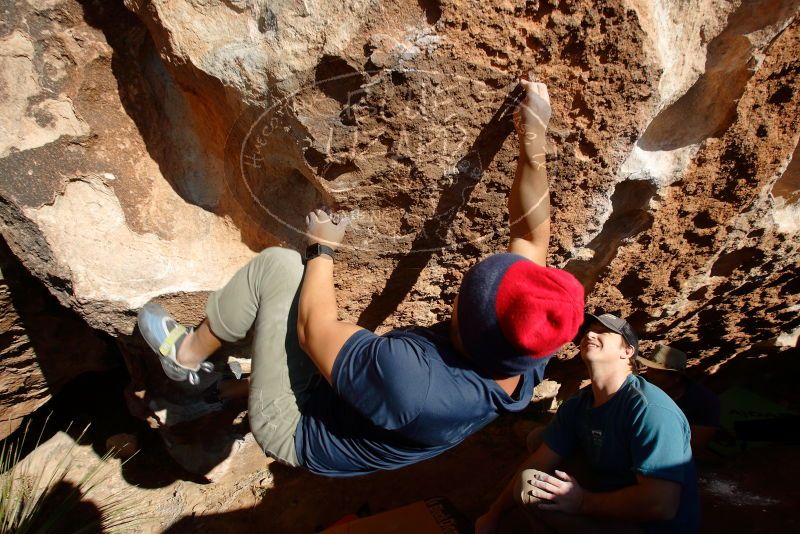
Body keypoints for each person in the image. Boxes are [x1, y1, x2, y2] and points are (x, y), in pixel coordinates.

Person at [136, 79, 585, 477]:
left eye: (468, 294)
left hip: (297, 429)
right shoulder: (524, 345)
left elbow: (316, 332)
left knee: (281, 267)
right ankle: (218, 392)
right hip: (355, 403)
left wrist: (322, 248)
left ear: (466, 323)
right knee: (334, 360)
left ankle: (186, 356)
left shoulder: (415, 384)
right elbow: (530, 231)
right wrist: (533, 135)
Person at [477, 313, 700, 533]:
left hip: (650, 525)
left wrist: (584, 502)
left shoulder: (650, 409)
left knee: (531, 485)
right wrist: (493, 515)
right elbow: (540, 460)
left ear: (627, 351)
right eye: (587, 331)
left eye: (604, 331)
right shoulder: (580, 403)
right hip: (613, 493)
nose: (590, 334)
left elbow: (660, 505)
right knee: (536, 453)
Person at [638, 345, 720, 458]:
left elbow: (696, 445)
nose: (649, 374)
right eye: (649, 369)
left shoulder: (703, 400)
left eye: (656, 372)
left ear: (676, 377)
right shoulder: (641, 389)